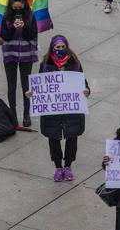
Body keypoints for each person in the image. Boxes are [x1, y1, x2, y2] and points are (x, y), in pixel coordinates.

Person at [26, 35, 90, 182]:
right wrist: (31, 93)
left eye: (63, 47)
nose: (60, 50)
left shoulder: (75, 63)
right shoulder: (45, 63)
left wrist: (87, 90)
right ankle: (57, 167)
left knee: (72, 138)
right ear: (52, 48)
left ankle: (68, 166)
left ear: (66, 46)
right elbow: (39, 85)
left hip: (71, 110)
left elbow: (83, 82)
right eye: (57, 47)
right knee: (53, 139)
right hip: (52, 111)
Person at [0, 0, 38, 127]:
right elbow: (4, 35)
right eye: (14, 8)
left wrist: (24, 27)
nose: (17, 10)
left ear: (24, 4)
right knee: (11, 86)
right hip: (10, 54)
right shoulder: (6, 17)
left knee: (26, 86)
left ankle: (26, 114)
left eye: (19, 7)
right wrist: (13, 29)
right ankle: (13, 115)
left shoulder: (30, 16)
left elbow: (32, 34)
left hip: (26, 55)